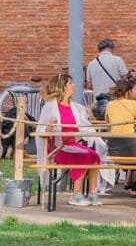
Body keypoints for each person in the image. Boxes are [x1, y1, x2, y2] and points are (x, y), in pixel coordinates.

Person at [37, 73, 103, 206]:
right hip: (58, 148)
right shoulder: (50, 107)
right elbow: (41, 132)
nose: (74, 86)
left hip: (73, 144)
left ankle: (92, 193)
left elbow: (85, 125)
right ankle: (76, 194)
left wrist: (89, 115)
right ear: (63, 87)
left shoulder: (76, 107)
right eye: (70, 83)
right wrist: (50, 125)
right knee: (84, 157)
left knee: (94, 156)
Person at [104, 75, 136, 197]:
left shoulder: (109, 104)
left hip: (113, 147)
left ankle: (130, 180)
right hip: (130, 146)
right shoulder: (134, 104)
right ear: (128, 92)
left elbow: (107, 123)